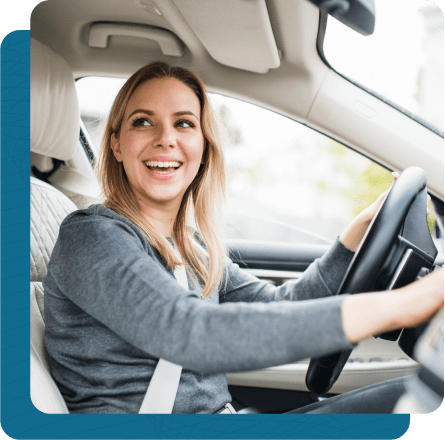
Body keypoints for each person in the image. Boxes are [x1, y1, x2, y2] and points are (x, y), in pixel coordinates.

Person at [43, 62, 444, 414]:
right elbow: (193, 333)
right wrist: (403, 305)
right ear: (115, 143)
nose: (166, 138)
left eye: (184, 123)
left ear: (203, 146)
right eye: (143, 121)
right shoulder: (91, 237)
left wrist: (353, 239)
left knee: (407, 395)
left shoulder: (191, 246)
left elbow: (277, 306)